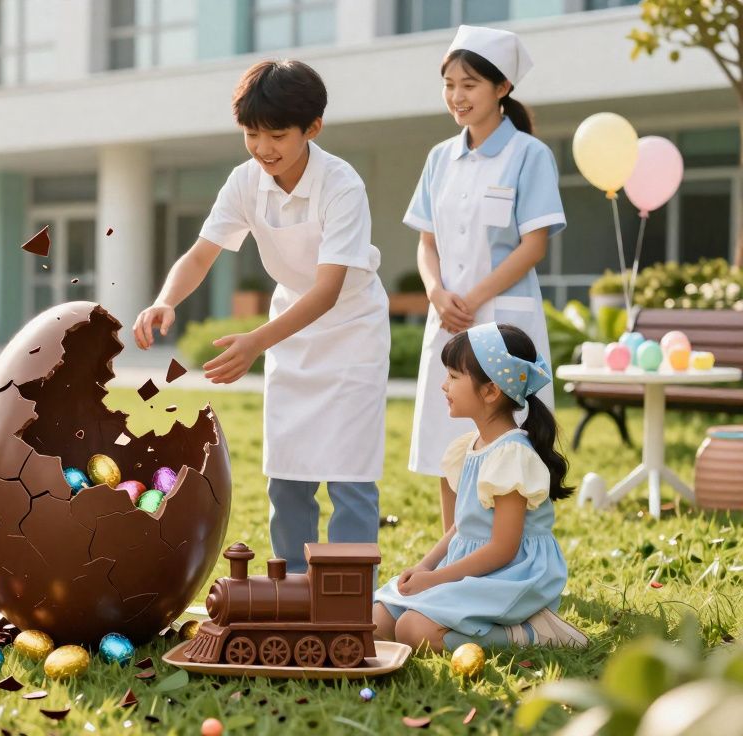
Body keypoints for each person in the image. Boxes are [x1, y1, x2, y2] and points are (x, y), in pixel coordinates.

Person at [134, 59, 389, 572]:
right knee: (287, 472)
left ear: (312, 128)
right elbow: (202, 253)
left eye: (277, 134)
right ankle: (293, 583)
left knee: (350, 474)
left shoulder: (342, 185)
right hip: (290, 331)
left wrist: (255, 342)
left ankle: (349, 594)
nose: (263, 148)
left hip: (351, 330)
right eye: (252, 134)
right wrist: (166, 299)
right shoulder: (246, 180)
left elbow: (328, 288)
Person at [407, 25, 565, 477]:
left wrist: (471, 301)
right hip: (448, 317)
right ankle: (456, 546)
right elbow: (426, 242)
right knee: (447, 443)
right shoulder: (439, 158)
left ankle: (504, 543)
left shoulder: (528, 155)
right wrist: (437, 293)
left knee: (507, 444)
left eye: (469, 85)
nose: (457, 95)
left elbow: (533, 246)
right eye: (449, 84)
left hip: (501, 319)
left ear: (503, 87)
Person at [374, 323, 587, 652]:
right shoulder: (468, 448)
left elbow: (503, 548)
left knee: (413, 630)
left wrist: (437, 580)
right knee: (377, 621)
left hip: (510, 573)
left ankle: (533, 633)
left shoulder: (512, 455)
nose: (444, 386)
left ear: (490, 391)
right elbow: (464, 526)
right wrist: (425, 566)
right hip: (469, 566)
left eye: (454, 377)